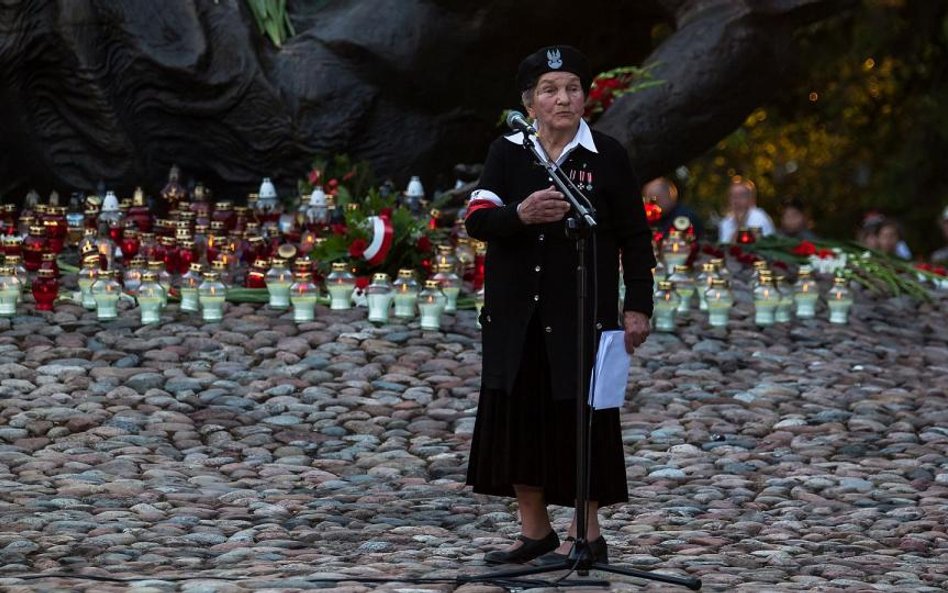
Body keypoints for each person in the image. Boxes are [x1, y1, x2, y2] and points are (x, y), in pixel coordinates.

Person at [464, 45, 654, 566]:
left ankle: (587, 536)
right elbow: (478, 220)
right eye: (549, 90)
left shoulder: (607, 155)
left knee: (584, 420)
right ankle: (536, 533)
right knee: (521, 416)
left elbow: (635, 237)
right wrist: (519, 215)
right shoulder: (508, 151)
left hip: (584, 314)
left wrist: (638, 305)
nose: (562, 98)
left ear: (585, 97)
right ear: (530, 102)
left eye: (572, 87)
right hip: (517, 315)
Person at [717, 177, 775, 243]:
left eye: (741, 196)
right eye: (733, 196)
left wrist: (741, 223)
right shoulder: (725, 222)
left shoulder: (759, 217)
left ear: (751, 199)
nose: (737, 200)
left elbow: (754, 244)